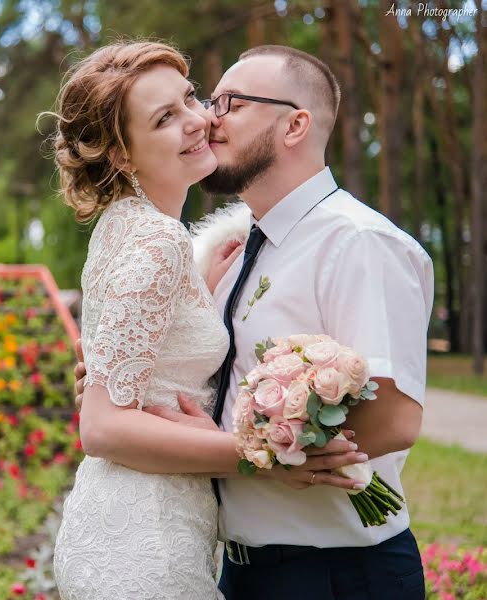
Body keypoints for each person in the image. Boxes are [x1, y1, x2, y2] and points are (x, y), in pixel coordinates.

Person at [72, 45, 434, 599]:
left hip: (333, 571)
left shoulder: (357, 242)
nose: (209, 117)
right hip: (234, 563)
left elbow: (394, 418)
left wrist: (250, 449)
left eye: (229, 103)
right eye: (207, 99)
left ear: (295, 125)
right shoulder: (232, 250)